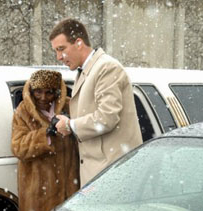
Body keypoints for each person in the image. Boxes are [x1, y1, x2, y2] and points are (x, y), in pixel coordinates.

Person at [49, 18, 143, 186]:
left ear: (78, 43)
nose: (58, 57)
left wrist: (70, 125)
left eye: (61, 49)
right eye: (56, 51)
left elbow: (107, 118)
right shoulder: (86, 71)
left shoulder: (107, 68)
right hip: (100, 174)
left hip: (113, 173)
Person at [11, 69, 80, 211]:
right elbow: (18, 147)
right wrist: (45, 135)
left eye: (49, 92)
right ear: (32, 91)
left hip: (69, 187)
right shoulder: (23, 112)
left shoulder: (70, 107)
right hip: (37, 192)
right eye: (38, 92)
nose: (43, 97)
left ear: (56, 92)